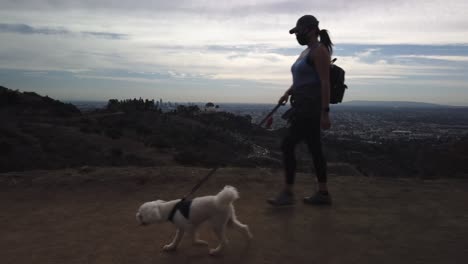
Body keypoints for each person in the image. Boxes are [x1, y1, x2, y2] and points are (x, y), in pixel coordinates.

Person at [268, 15, 333, 206]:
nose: (297, 35)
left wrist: (325, 112)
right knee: (315, 149)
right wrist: (287, 92)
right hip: (301, 106)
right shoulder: (305, 52)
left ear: (311, 30)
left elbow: (325, 82)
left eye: (299, 31)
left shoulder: (319, 51)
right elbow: (300, 80)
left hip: (310, 109)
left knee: (288, 145)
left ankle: (288, 193)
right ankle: (323, 193)